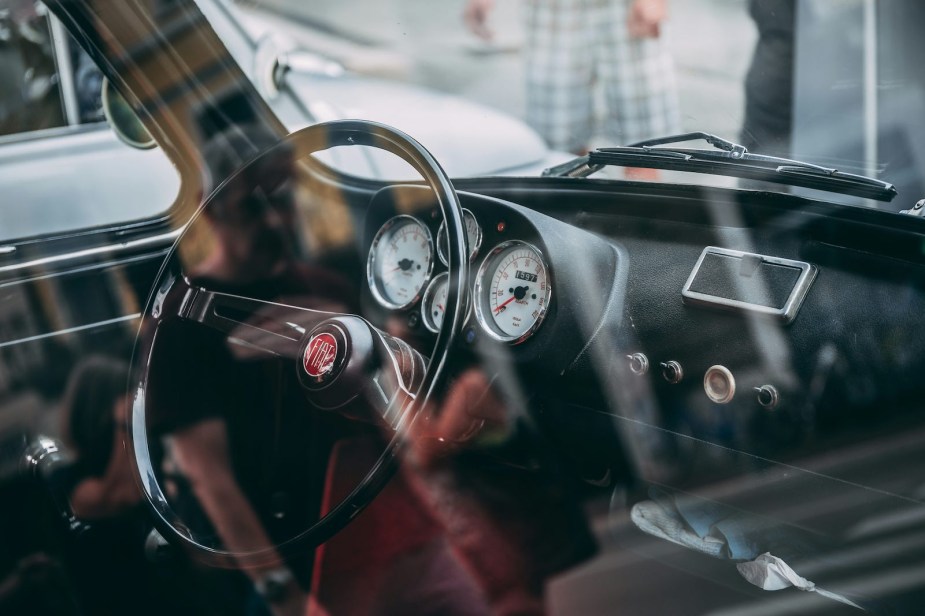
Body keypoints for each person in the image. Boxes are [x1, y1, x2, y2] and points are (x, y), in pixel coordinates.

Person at [464, 0, 681, 154]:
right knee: (560, 144)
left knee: (643, 144)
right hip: (552, 10)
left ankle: (641, 215)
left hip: (623, 9)